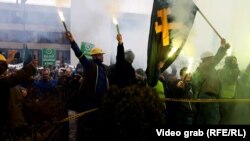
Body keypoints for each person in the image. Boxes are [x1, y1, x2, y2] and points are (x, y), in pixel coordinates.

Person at [65, 31, 109, 141]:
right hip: (89, 103)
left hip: (100, 104)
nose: (102, 56)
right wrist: (72, 41)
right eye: (100, 54)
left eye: (102, 55)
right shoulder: (89, 65)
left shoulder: (104, 68)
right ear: (95, 56)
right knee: (88, 127)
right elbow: (79, 54)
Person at [192, 38, 230, 125]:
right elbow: (217, 59)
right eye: (211, 58)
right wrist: (223, 47)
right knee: (213, 120)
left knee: (202, 120)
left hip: (204, 97)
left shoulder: (205, 68)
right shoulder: (205, 66)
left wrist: (225, 48)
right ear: (206, 59)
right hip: (208, 97)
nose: (213, 60)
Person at [0, 51, 37, 139]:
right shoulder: (4, 82)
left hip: (14, 126)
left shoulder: (6, 83)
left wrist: (21, 91)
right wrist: (30, 68)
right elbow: (12, 79)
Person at [218, 56, 240, 124]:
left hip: (232, 97)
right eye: (233, 60)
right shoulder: (223, 71)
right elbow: (230, 81)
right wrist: (236, 68)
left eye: (235, 61)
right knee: (224, 118)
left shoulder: (234, 71)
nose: (235, 62)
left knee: (230, 117)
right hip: (224, 97)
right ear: (228, 61)